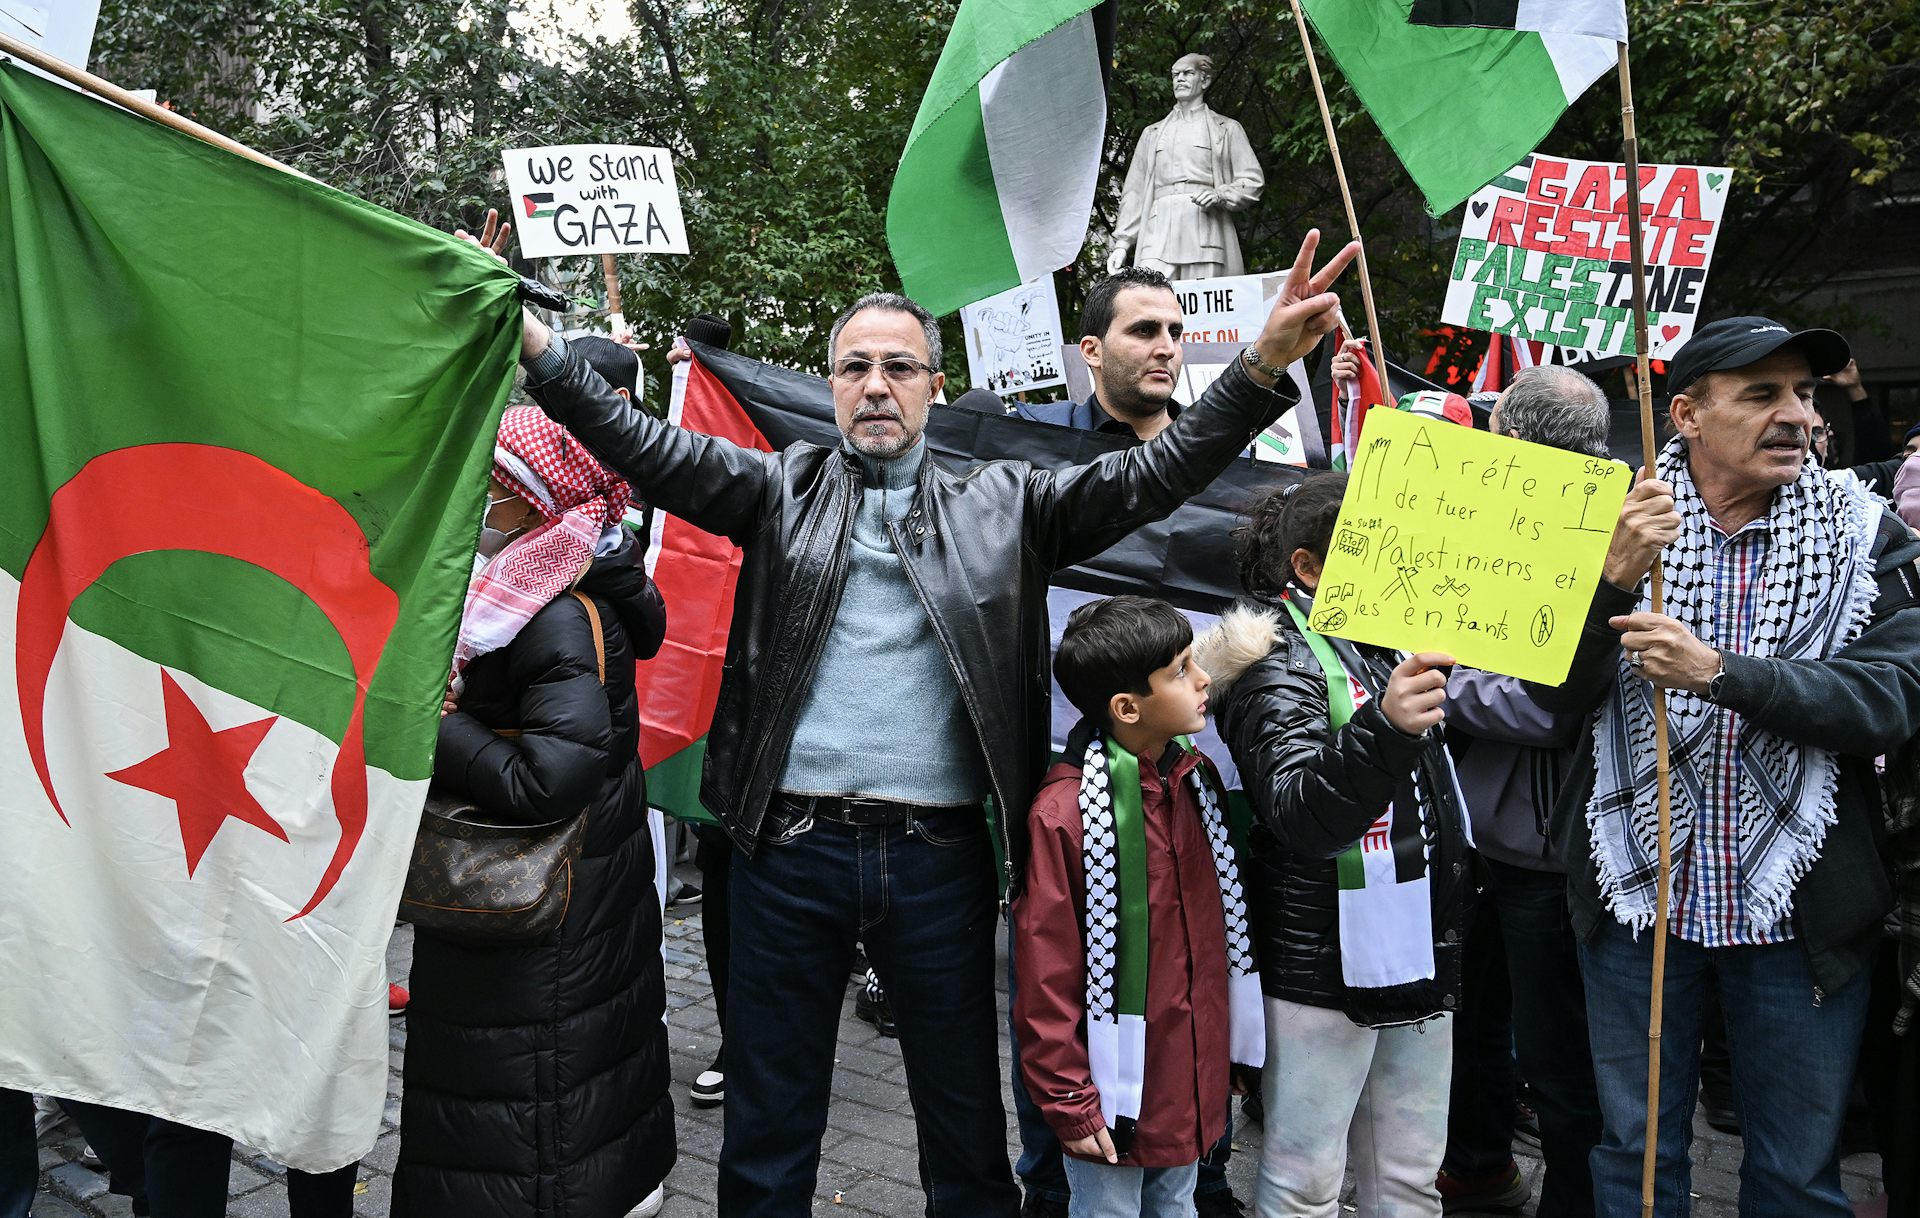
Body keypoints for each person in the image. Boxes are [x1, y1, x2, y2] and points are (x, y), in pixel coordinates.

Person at [488, 220, 1358, 1216]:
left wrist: (1254, 371)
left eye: (899, 366)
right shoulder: (775, 489)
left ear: (934, 387)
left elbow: (1155, 475)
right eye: (853, 366)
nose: (875, 384)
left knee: (963, 1134)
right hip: (789, 856)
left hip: (940, 864)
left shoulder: (1009, 503)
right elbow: (639, 442)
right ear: (830, 387)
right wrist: (540, 354)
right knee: (769, 1132)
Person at [1530, 315, 1920, 1217]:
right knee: (1635, 1160)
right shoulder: (1605, 525)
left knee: (1795, 1174)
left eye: (1805, 394)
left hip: (1800, 911)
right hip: (1639, 901)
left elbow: (1891, 699)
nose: (1796, 416)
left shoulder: (1870, 537)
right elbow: (1552, 701)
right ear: (1687, 415)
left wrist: (1719, 673)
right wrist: (1613, 580)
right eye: (1762, 395)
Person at [392, 399, 674, 1218]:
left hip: (539, 929)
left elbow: (549, 777)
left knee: (532, 1133)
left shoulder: (549, 610)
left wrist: (441, 725)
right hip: (562, 913)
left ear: (534, 497)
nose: (479, 493)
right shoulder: (527, 588)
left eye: (494, 480)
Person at [1011, 265, 1250, 1218]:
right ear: (1091, 349)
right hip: (1080, 796)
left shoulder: (1232, 464)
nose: (1166, 345)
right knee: (1078, 983)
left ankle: (1201, 1170)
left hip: (1203, 789)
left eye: (1175, 329)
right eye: (1143, 327)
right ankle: (1059, 1166)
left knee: (1189, 986)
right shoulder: (1032, 457)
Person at [1197, 472, 1469, 1218]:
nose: (1399, 560)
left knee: (1412, 1175)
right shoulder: (1270, 664)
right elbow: (1299, 813)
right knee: (1303, 1180)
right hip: (1319, 969)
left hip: (1417, 950)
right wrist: (1384, 726)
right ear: (1310, 569)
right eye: (1371, 547)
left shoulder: (1386, 641)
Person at [1013, 596, 1260, 1218]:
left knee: (1175, 1205)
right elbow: (1047, 976)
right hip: (1108, 1091)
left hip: (1185, 1073)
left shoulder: (1193, 782)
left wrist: (1223, 1048)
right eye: (1180, 669)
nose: (1204, 678)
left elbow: (1211, 943)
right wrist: (1069, 1099)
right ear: (1127, 708)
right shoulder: (1067, 814)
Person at [1436, 366, 1610, 1217]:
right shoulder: (1504, 515)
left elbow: (1549, 708)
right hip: (1486, 836)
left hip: (1547, 852)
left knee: (1558, 1055)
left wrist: (1434, 681)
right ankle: (1475, 1167)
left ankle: (1570, 1201)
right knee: (1474, 1027)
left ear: (1514, 438)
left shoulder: (1606, 538)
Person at [1109, 54, 1264, 279]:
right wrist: (1122, 244)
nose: (1179, 79)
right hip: (1157, 233)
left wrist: (1220, 194)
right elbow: (1135, 192)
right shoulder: (1152, 134)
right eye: (1175, 75)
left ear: (1204, 81)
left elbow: (1252, 181)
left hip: (1204, 231)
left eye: (1187, 73)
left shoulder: (1226, 129)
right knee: (1151, 301)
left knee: (1206, 309)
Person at [1017, 268, 1184, 441]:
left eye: (1174, 334)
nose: (1168, 349)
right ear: (1093, 351)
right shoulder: (1035, 437)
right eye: (1144, 331)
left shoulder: (1211, 440)